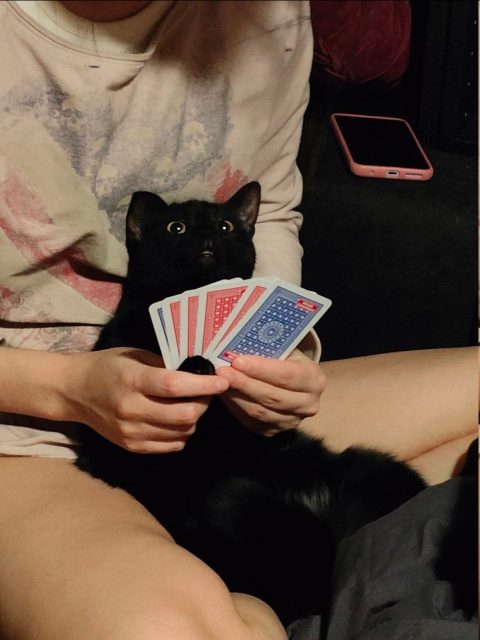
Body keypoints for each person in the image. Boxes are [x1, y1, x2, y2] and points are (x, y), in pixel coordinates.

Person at [0, 2, 476, 639]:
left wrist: (284, 352)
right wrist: (65, 388)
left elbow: (271, 204)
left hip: (232, 414)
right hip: (33, 437)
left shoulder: (269, 10)